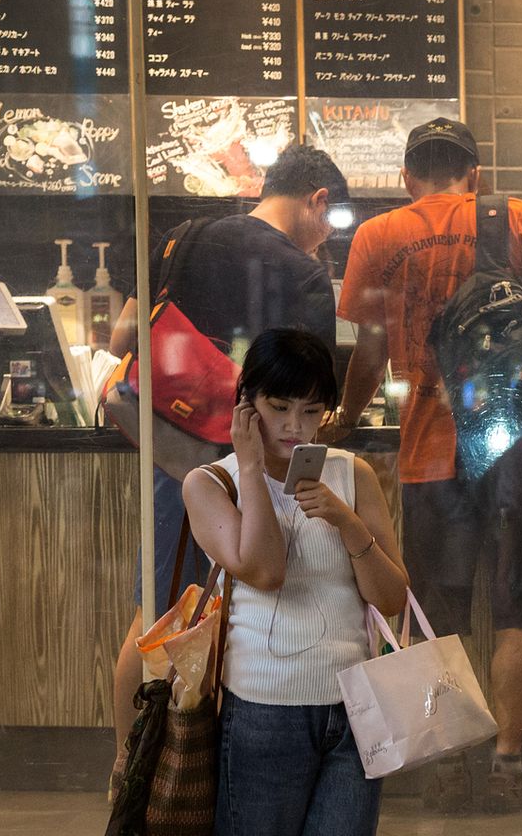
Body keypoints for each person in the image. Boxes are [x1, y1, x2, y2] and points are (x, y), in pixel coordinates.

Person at [181, 328, 408, 836]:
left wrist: (349, 524)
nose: (298, 427)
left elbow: (392, 593)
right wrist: (252, 469)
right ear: (249, 405)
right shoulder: (206, 482)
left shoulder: (351, 475)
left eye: (314, 410)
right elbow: (263, 571)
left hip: (352, 717)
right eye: (280, 409)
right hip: (262, 718)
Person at [326, 118, 522, 814]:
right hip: (518, 448)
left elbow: (369, 356)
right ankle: (508, 763)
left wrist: (343, 417)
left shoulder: (379, 236)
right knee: (517, 608)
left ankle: (445, 767)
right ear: (477, 173)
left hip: (430, 450)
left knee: (439, 613)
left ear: (408, 177)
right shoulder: (514, 217)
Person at [106, 143, 352, 795]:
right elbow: (317, 402)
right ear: (317, 201)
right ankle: (199, 771)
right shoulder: (302, 275)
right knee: (231, 615)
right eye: (332, 217)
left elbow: (124, 337)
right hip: (245, 465)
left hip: (168, 445)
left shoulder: (185, 236)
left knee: (157, 611)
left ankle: (130, 768)